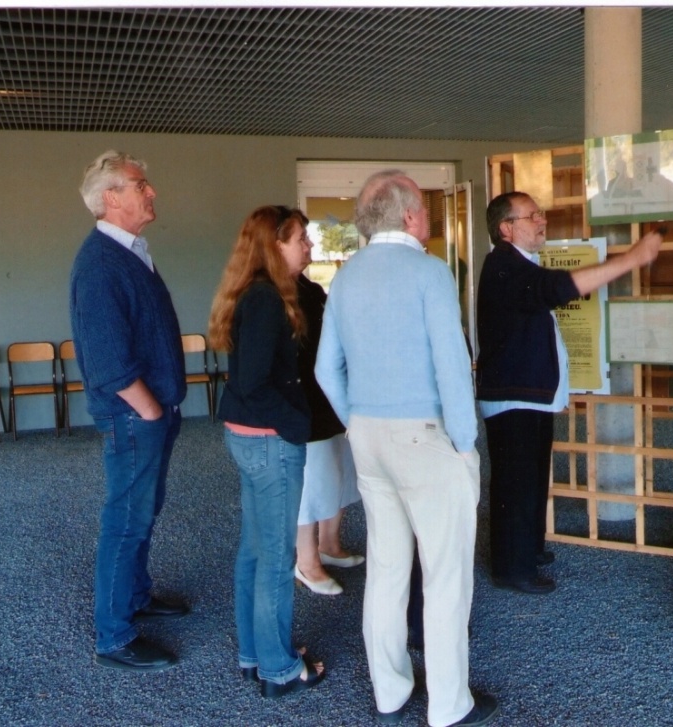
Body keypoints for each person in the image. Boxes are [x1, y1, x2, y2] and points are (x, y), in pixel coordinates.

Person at [315, 170, 498, 727]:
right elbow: (451, 364)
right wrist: (466, 445)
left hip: (368, 436)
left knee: (388, 570)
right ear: (410, 216)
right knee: (445, 577)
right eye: (423, 207)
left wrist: (357, 422)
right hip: (426, 437)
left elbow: (327, 369)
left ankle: (390, 692)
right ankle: (448, 705)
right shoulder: (429, 271)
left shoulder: (345, 276)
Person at [476, 191, 663, 595]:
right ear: (507, 228)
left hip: (526, 394)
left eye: (541, 213)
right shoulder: (503, 266)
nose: (542, 221)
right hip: (513, 398)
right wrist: (630, 260)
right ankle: (512, 567)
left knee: (529, 479)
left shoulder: (517, 264)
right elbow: (557, 289)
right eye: (532, 216)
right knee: (515, 483)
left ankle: (525, 549)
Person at [70, 150, 189, 672]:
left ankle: (137, 596)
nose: (152, 191)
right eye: (141, 184)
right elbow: (108, 362)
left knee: (143, 511)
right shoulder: (100, 262)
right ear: (111, 198)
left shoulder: (130, 251)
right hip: (136, 417)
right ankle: (114, 635)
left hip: (150, 413)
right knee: (126, 519)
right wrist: (151, 412)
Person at [207, 205, 326, 697]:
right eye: (300, 238)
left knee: (256, 553)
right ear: (276, 245)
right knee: (275, 560)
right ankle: (277, 670)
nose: (309, 246)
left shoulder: (259, 293)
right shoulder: (265, 301)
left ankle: (256, 654)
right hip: (269, 443)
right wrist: (297, 424)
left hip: (250, 437)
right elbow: (256, 383)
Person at [293, 272, 364, 596]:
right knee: (313, 481)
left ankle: (329, 543)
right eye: (300, 239)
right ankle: (306, 562)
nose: (308, 245)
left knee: (341, 471)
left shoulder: (311, 287)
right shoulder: (275, 290)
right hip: (305, 397)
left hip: (330, 394)